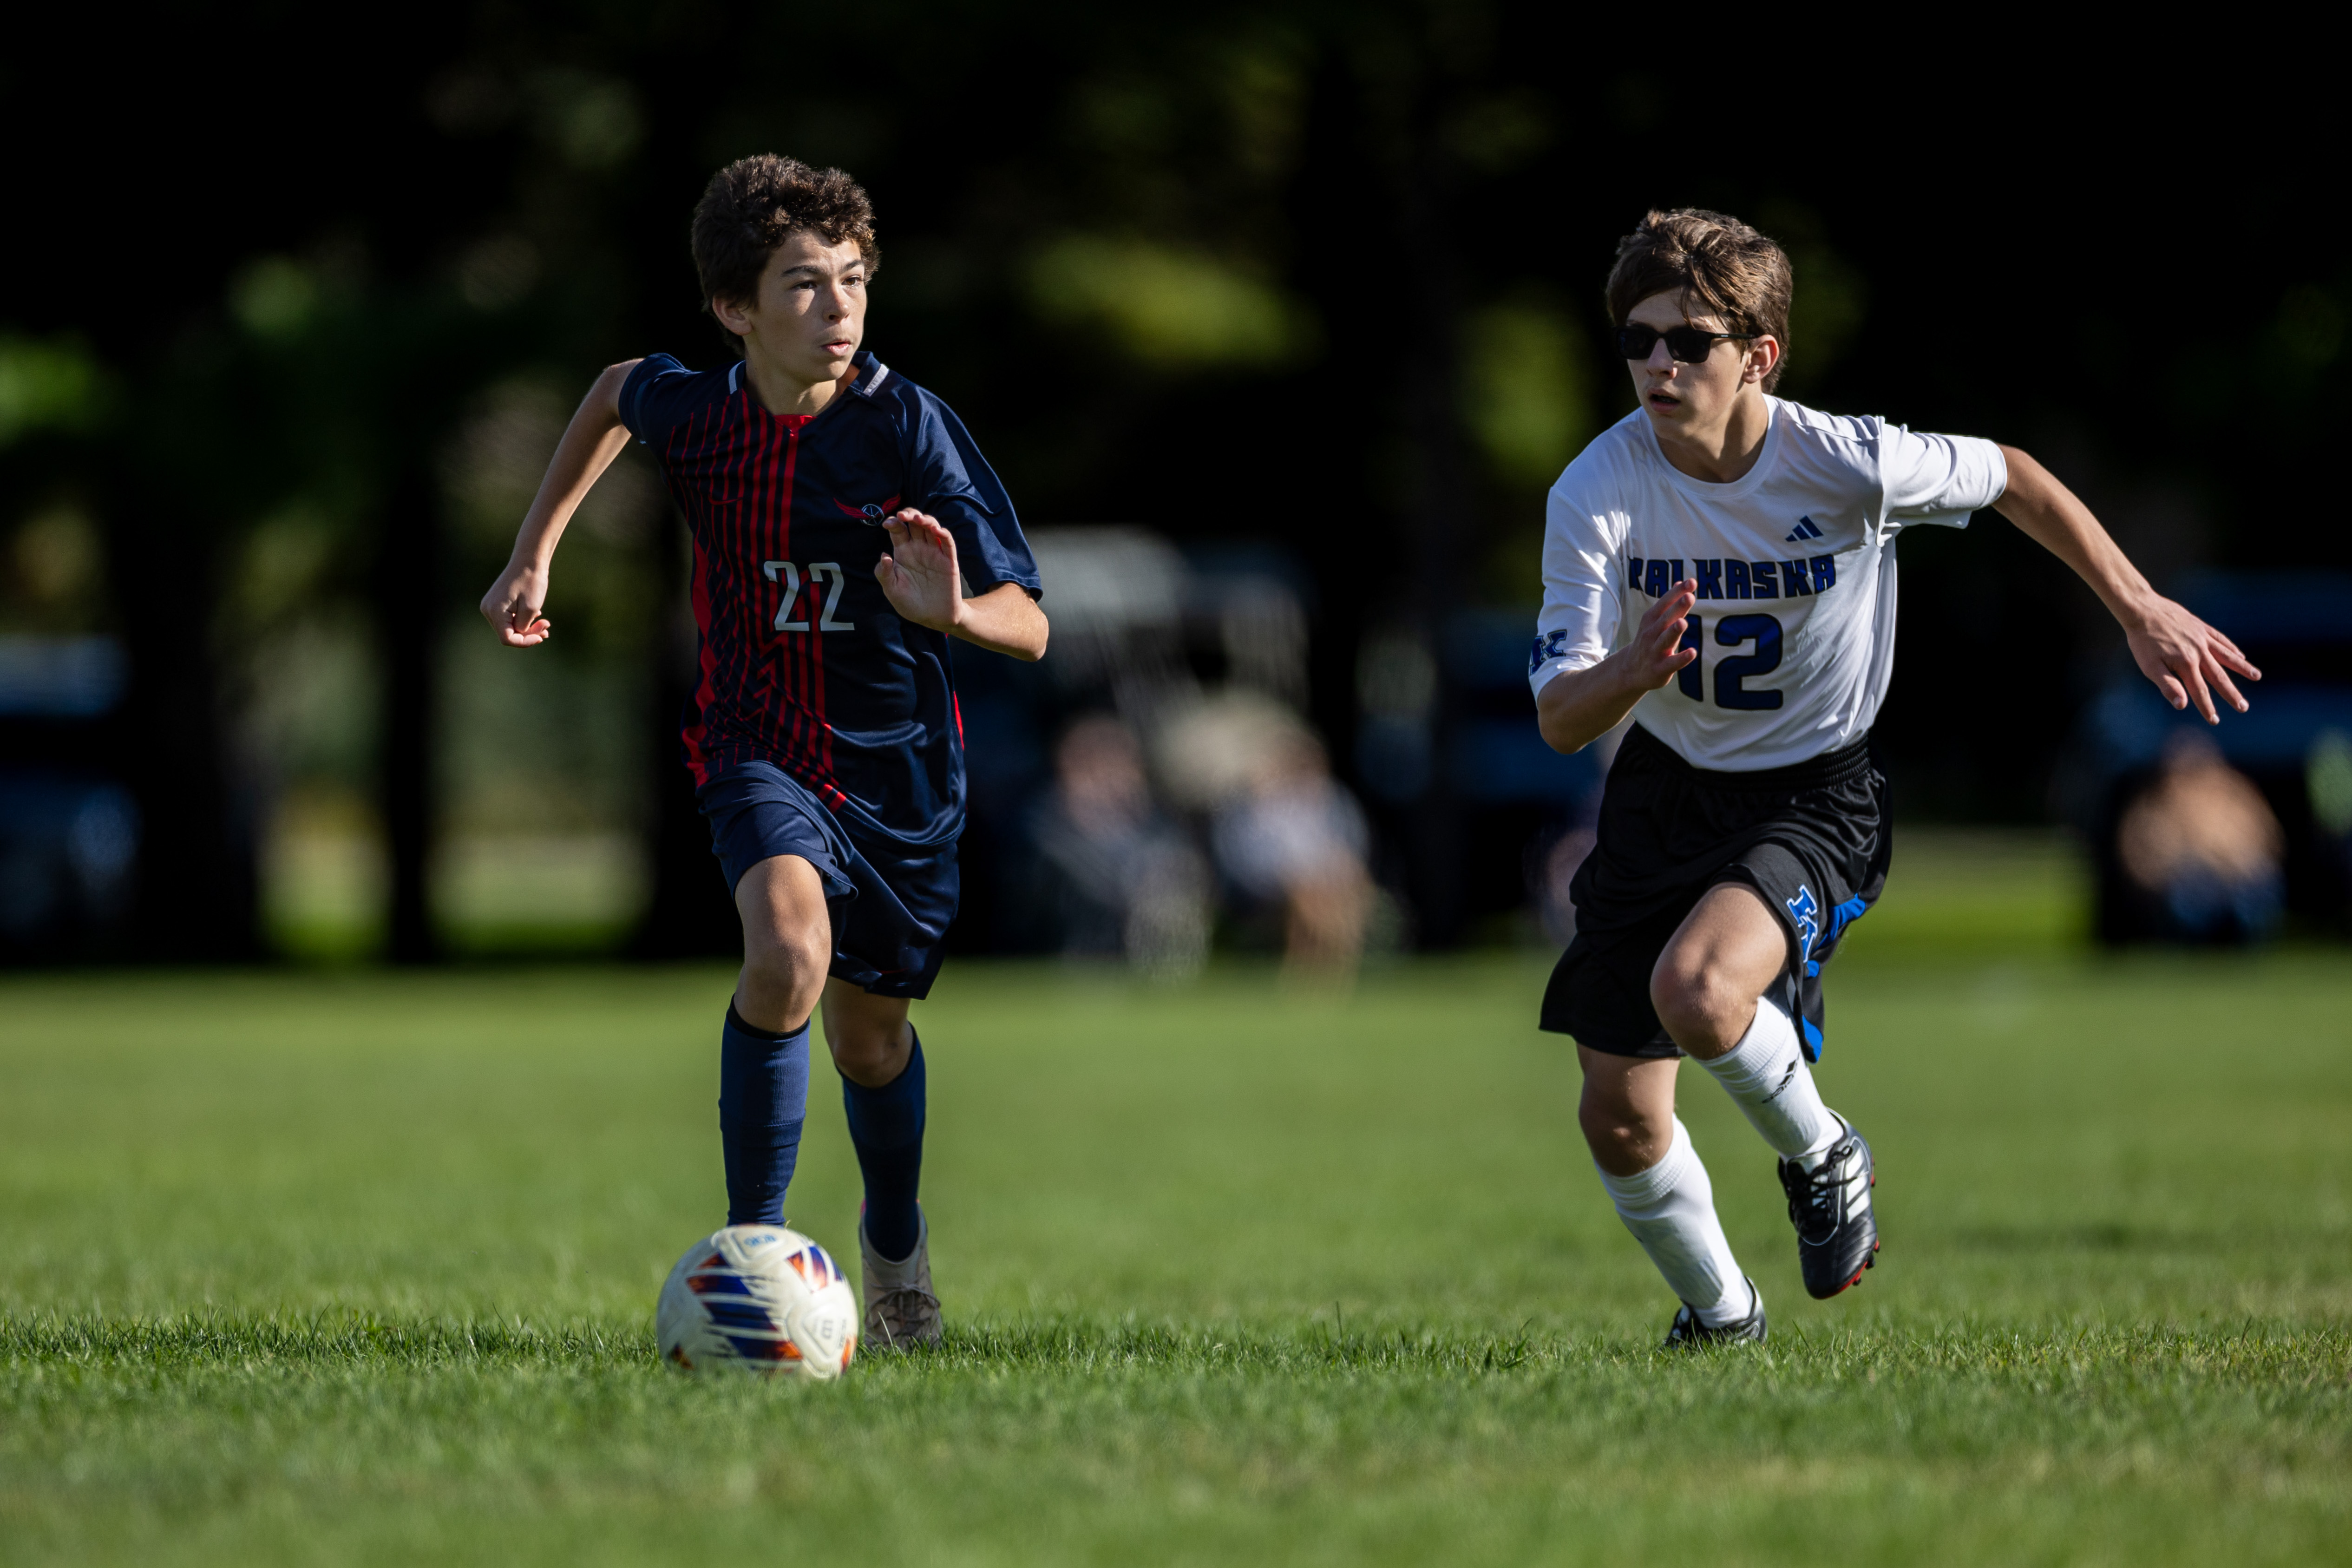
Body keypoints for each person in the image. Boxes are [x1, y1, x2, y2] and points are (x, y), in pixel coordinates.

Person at [1529, 210, 2256, 1347]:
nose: (1659, 366)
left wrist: (2137, 605)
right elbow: (1560, 717)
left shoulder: (1847, 461)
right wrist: (1629, 669)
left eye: (1690, 342)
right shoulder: (1597, 489)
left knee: (1703, 992)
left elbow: (2013, 476)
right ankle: (1723, 1318)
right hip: (1666, 786)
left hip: (1814, 791)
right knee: (1619, 1115)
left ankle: (1824, 1153)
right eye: (1638, 340)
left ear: (1761, 356)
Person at [480, 155, 1047, 1349]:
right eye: (805, 283)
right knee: (787, 952)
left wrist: (953, 611)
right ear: (735, 308)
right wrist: (536, 551)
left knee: (868, 1040)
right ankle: (752, 1264)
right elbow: (617, 392)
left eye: (854, 278)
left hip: (899, 776)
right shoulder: (702, 417)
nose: (841, 306)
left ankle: (895, 1254)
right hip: (757, 747)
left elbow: (1031, 623)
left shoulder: (907, 426)